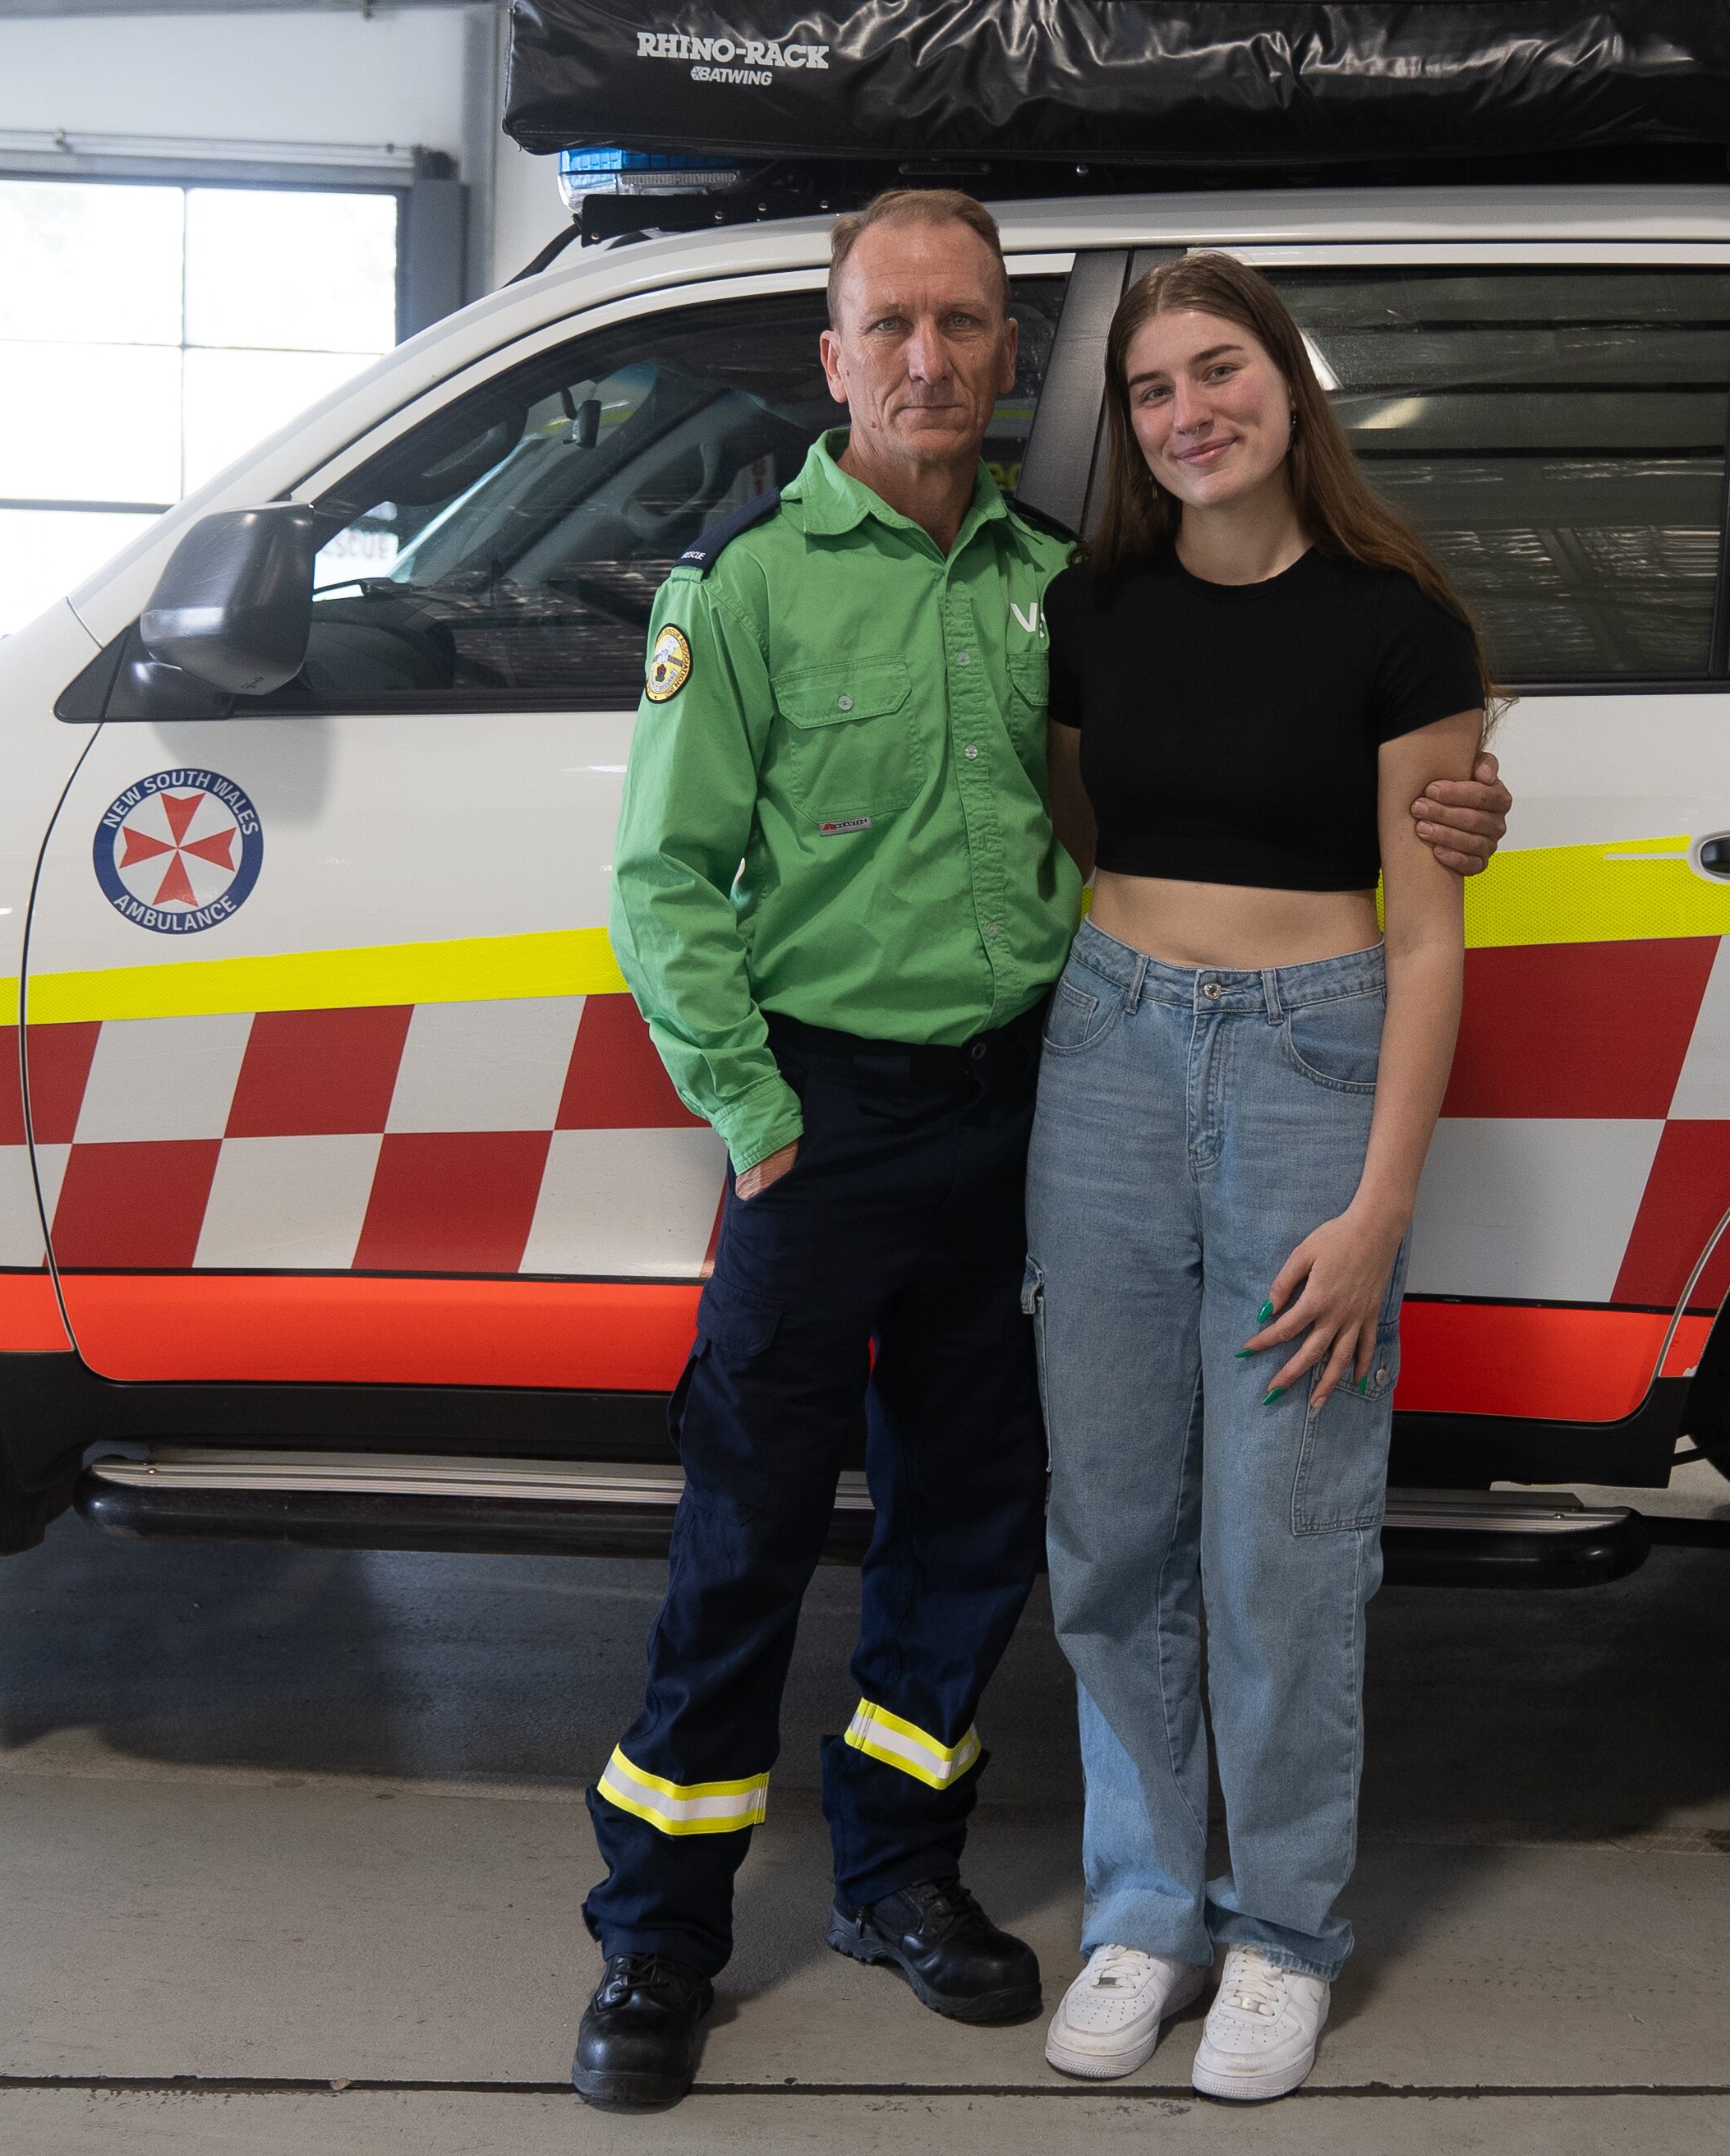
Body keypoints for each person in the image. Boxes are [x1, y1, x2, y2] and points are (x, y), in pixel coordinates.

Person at [587, 192, 1514, 2114]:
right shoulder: (752, 587)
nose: (929, 358)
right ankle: (661, 1931)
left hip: (1032, 1097)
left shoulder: (1047, 585)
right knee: (758, 1521)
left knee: (977, 1525)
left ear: (1011, 359)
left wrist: (1451, 804)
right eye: (890, 327)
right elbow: (666, 882)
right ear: (834, 359)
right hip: (835, 1125)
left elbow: (1131, 817)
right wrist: (761, 1126)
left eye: (965, 324)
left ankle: (904, 1880)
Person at [1028, 252, 1490, 2103]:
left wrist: (1381, 1207)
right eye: (1151, 388)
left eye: (1219, 371)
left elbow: (1433, 940)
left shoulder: (1400, 625)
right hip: (1108, 1049)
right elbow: (1079, 824)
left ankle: (1283, 1929)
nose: (1186, 411)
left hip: (1315, 1060)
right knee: (1117, 1520)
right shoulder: (1091, 605)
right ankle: (1147, 1908)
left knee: (1283, 1534)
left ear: (1290, 390)